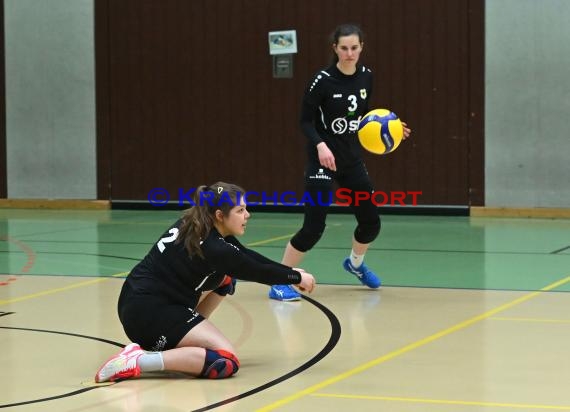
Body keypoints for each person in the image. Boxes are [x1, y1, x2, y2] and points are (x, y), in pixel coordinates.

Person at [95, 182, 315, 382]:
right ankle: (138, 361)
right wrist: (295, 277)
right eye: (240, 211)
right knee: (225, 360)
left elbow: (245, 257)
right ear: (220, 215)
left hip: (136, 302)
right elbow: (255, 270)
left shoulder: (196, 222)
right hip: (149, 313)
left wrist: (289, 271)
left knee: (225, 279)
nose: (247, 215)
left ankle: (184, 336)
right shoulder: (214, 247)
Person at [269, 23, 411, 301]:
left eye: (354, 48)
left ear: (361, 48)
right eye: (344, 48)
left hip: (350, 158)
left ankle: (355, 265)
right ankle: (279, 280)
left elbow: (363, 115)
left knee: (371, 223)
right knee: (314, 227)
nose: (349, 53)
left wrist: (390, 129)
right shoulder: (322, 80)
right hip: (322, 160)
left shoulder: (366, 76)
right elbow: (305, 121)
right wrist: (321, 145)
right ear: (335, 49)